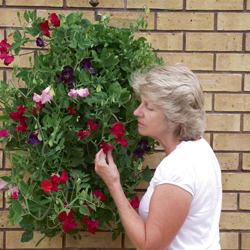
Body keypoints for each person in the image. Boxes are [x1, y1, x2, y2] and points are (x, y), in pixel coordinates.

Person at [95, 63, 222, 250]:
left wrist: (114, 184)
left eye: (149, 107)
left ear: (175, 117)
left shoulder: (180, 167)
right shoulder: (200, 148)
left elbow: (149, 245)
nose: (137, 112)